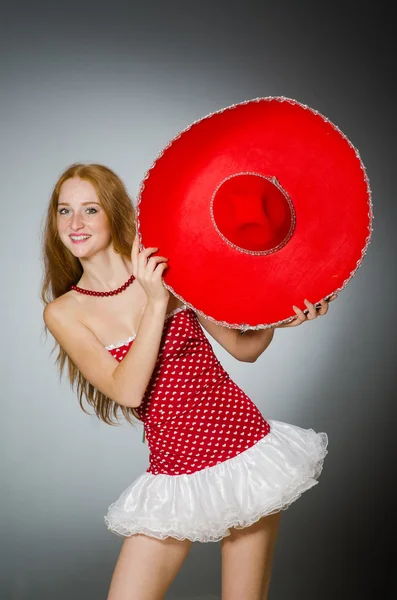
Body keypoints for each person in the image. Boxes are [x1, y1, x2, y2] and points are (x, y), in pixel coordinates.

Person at [42, 162, 335, 600]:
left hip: (243, 452)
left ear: (113, 214)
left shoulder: (165, 266)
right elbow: (126, 389)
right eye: (65, 211)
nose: (76, 224)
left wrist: (281, 315)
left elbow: (243, 348)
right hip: (175, 470)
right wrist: (156, 302)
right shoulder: (64, 312)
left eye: (90, 209)